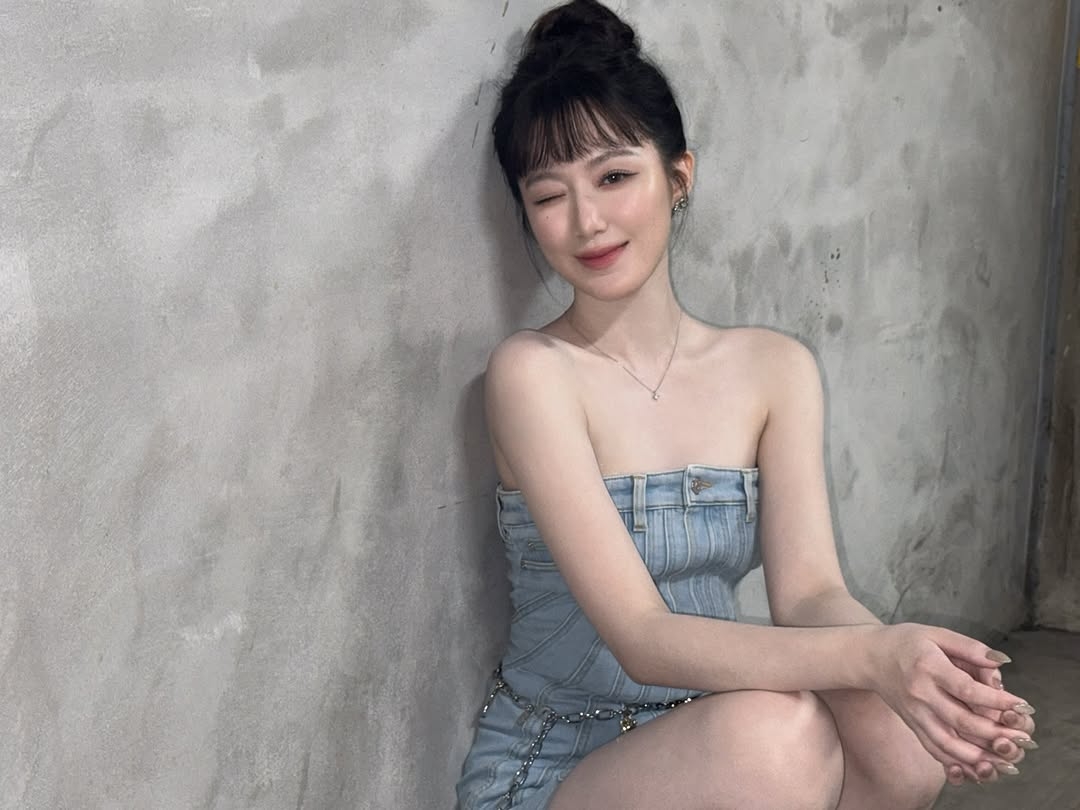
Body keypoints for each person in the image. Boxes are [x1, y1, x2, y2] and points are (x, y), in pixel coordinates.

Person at [456, 2, 1037, 808]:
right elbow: (643, 639)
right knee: (779, 736)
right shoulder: (533, 374)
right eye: (550, 195)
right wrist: (879, 657)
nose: (587, 221)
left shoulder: (774, 369)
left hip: (715, 731)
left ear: (678, 176)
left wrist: (927, 679)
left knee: (897, 740)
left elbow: (809, 596)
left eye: (615, 177)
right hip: (563, 758)